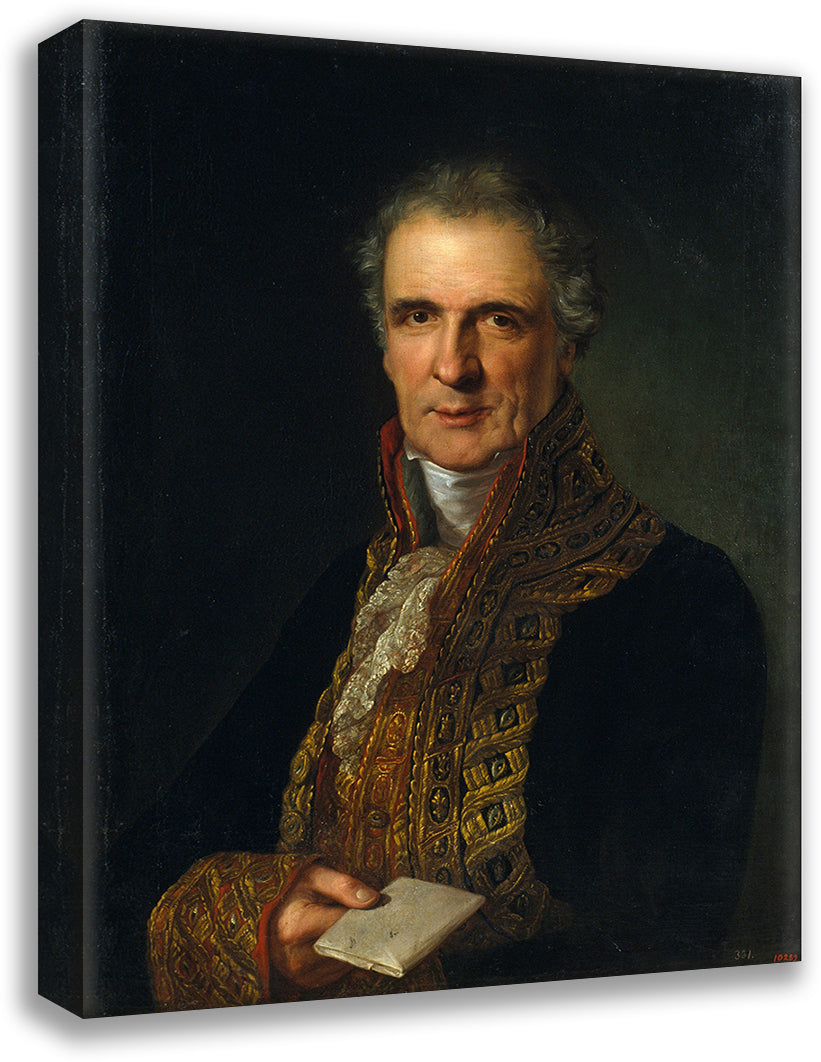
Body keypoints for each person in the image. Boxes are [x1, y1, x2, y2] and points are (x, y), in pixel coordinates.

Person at [102, 158, 766, 1013]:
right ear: (386, 347)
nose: (452, 366)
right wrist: (264, 927)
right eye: (418, 317)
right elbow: (143, 865)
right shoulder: (350, 588)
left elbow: (664, 952)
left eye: (498, 320)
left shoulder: (681, 596)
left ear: (567, 345)